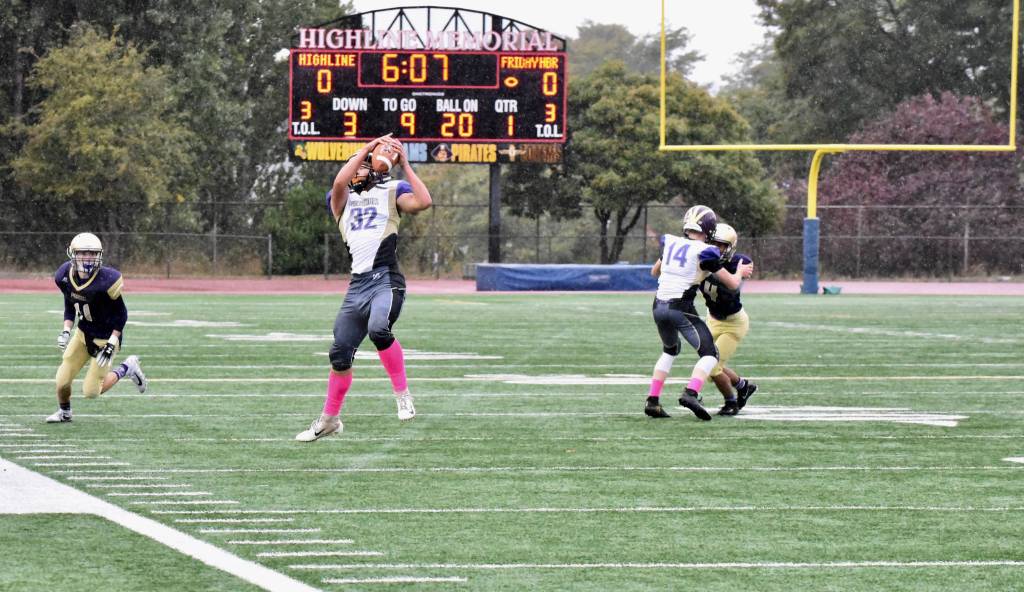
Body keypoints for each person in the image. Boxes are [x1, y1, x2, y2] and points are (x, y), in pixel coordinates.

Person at [296, 134, 432, 442]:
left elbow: (423, 202)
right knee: (339, 354)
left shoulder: (392, 190)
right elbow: (341, 180)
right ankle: (329, 420)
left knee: (379, 329)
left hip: (385, 279)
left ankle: (403, 395)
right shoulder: (341, 201)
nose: (358, 171)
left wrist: (406, 164)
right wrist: (367, 149)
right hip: (356, 286)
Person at [646, 205, 752, 421]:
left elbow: (654, 271)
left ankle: (653, 401)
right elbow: (732, 284)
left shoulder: (670, 242)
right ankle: (691, 393)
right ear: (709, 228)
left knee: (670, 351)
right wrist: (739, 272)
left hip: (658, 306)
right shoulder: (705, 251)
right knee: (710, 354)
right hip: (680, 308)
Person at [48, 232, 147, 423]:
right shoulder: (63, 275)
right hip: (83, 334)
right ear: (73, 253)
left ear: (99, 255)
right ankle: (65, 413)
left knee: (92, 392)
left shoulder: (107, 280)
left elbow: (121, 314)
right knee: (61, 380)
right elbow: (70, 303)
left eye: (92, 253)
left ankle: (127, 368)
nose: (88, 257)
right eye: (83, 253)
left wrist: (111, 343)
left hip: (105, 338)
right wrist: (67, 329)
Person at [696, 223, 758, 416]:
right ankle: (743, 386)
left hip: (733, 323)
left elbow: (732, 286)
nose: (716, 248)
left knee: (713, 368)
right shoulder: (701, 257)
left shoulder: (737, 263)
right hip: (712, 319)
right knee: (709, 366)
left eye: (721, 245)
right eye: (713, 243)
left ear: (730, 247)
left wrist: (737, 273)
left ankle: (730, 402)